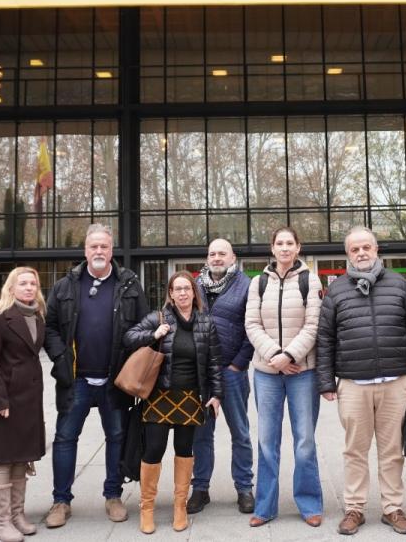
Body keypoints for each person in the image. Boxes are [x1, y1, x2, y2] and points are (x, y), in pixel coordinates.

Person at [316, 226, 406, 536]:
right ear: (348, 254)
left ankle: (393, 508)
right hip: (353, 384)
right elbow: (325, 338)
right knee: (355, 450)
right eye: (355, 249)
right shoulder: (336, 290)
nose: (361, 253)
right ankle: (354, 508)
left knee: (392, 450)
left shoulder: (399, 285)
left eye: (366, 247)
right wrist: (326, 382)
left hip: (395, 382)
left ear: (376, 250)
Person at [43, 223, 150, 527]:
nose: (99, 251)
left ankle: (113, 496)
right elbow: (49, 327)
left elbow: (143, 325)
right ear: (85, 251)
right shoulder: (65, 286)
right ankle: (61, 501)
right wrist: (60, 357)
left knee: (116, 437)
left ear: (111, 250)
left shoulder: (129, 284)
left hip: (114, 379)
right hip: (75, 379)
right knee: (65, 438)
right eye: (94, 246)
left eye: (104, 246)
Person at [123, 271, 223, 534]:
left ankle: (180, 506)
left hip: (190, 398)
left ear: (194, 292)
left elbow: (214, 362)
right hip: (159, 397)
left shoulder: (206, 322)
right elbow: (129, 337)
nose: (182, 293)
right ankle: (147, 507)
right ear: (171, 294)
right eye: (177, 289)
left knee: (184, 450)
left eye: (187, 288)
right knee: (153, 450)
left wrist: (216, 395)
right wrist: (153, 334)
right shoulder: (158, 318)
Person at [245, 226, 325, 528]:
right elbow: (251, 324)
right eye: (279, 243)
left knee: (304, 441)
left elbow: (313, 325)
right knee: (267, 441)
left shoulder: (310, 280)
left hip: (302, 372)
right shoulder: (258, 283)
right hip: (267, 373)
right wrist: (276, 357)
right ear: (272, 248)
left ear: (298, 247)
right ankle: (265, 507)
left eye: (290, 243)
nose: (285, 248)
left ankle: (310, 504)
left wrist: (289, 356)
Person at [187, 238, 255, 514]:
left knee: (240, 432)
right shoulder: (195, 285)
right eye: (212, 253)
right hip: (202, 374)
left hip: (232, 372)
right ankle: (200, 488)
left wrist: (239, 364)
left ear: (232, 257)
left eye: (222, 253)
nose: (217, 258)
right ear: (207, 258)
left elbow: (253, 327)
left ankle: (244, 488)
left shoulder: (247, 285)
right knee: (201, 435)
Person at [0, 266, 47, 542]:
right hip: (7, 398)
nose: (29, 287)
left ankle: (17, 515)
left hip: (29, 398)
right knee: (2, 458)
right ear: (11, 287)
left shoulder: (37, 315)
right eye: (23, 283)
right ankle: (1, 522)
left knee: (22, 457)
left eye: (33, 283)